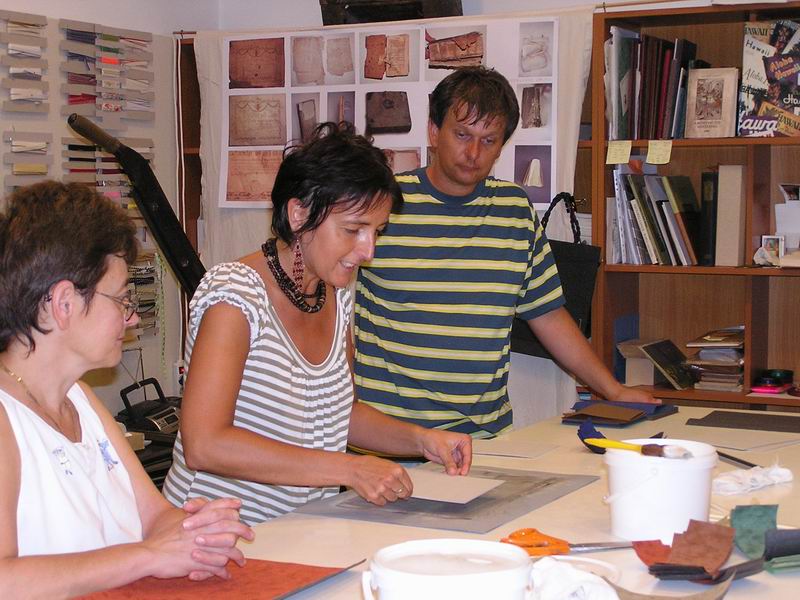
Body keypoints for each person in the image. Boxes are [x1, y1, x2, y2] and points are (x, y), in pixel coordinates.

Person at [162, 122, 471, 526]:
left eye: (376, 232)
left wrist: (422, 440)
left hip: (297, 530)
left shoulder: (335, 295)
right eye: (353, 230)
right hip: (209, 532)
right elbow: (205, 444)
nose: (368, 251)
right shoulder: (234, 296)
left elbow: (339, 415)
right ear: (299, 214)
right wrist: (349, 469)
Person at [354, 66, 656, 439]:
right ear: (434, 131)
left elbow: (549, 315)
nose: (473, 153)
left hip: (482, 441)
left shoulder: (514, 211)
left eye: (489, 140)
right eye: (462, 135)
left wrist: (613, 390)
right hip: (391, 441)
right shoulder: (383, 205)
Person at [0, 181, 254, 598]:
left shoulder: (80, 398)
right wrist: (149, 556)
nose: (132, 318)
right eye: (120, 300)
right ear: (64, 303)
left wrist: (195, 531)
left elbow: (155, 517)